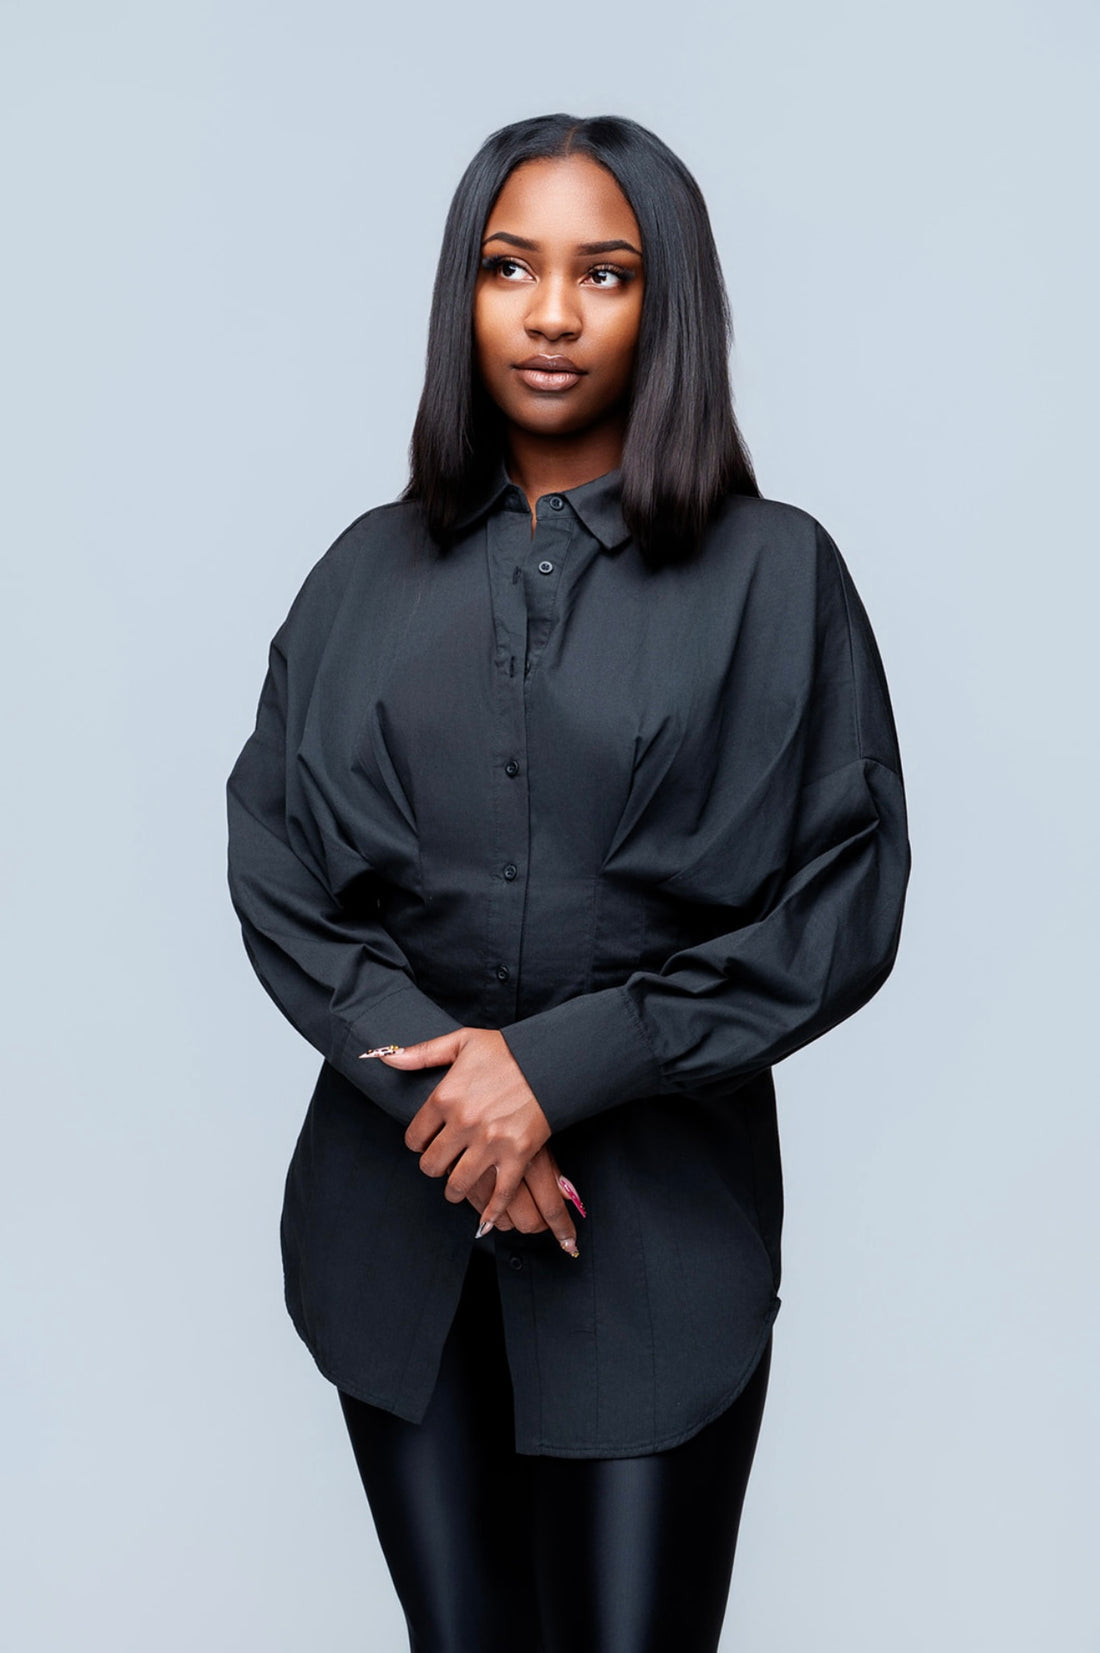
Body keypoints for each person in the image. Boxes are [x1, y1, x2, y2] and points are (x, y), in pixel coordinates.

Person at [225, 111, 910, 1653]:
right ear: (461, 296)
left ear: (667, 306)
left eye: (603, 273)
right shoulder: (359, 574)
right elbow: (276, 861)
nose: (549, 313)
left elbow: (846, 894)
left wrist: (566, 1065)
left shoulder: (775, 575)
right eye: (508, 268)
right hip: (390, 1237)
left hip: (655, 1243)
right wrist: (452, 1096)